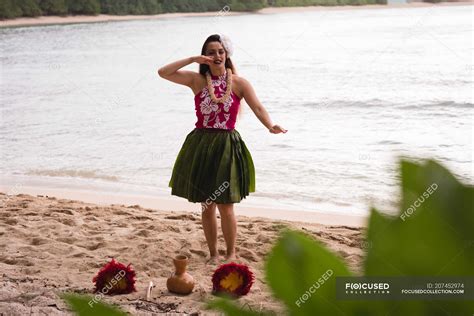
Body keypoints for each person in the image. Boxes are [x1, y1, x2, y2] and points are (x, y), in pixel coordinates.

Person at [158, 34, 287, 263]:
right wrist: (191, 59)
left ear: (226, 55)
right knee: (207, 205)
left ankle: (231, 253)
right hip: (202, 145)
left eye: (220, 51)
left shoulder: (239, 83)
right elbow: (163, 72)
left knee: (226, 205)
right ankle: (213, 254)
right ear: (204, 56)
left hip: (227, 145)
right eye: (210, 52)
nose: (216, 56)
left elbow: (257, 107)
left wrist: (270, 125)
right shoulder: (197, 81)